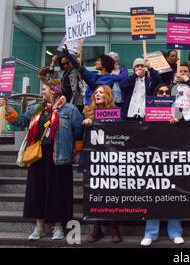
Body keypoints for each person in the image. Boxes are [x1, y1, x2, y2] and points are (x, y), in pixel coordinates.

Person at [0, 79, 83, 241]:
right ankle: (39, 226)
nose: (42, 91)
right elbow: (20, 121)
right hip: (38, 155)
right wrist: (7, 107)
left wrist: (77, 151)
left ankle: (58, 226)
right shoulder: (36, 109)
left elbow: (79, 132)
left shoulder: (70, 109)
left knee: (58, 191)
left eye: (44, 89)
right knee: (37, 191)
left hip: (59, 155)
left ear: (54, 91)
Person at [141, 84, 184, 246]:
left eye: (167, 92)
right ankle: (150, 233)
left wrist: (178, 122)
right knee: (153, 195)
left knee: (174, 194)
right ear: (155, 94)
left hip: (173, 160)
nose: (164, 94)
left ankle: (175, 232)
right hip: (154, 160)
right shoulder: (149, 111)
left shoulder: (179, 111)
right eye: (161, 92)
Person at [81, 85, 123, 243]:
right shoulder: (87, 111)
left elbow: (122, 132)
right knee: (94, 193)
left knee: (113, 194)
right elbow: (79, 135)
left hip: (111, 158)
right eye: (96, 93)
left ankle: (114, 227)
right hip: (93, 159)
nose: (97, 95)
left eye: (101, 92)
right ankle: (96, 227)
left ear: (108, 96)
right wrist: (87, 122)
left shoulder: (116, 113)